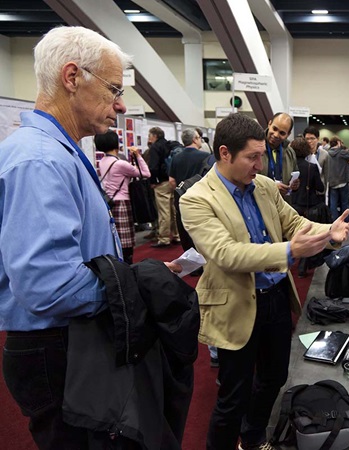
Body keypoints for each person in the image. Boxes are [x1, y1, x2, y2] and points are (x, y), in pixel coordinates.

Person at [0, 26, 182, 449]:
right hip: (59, 347)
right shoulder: (40, 160)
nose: (120, 105)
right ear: (71, 77)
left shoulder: (59, 151)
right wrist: (134, 289)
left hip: (70, 342)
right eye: (113, 89)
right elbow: (50, 286)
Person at [179, 113, 349, 450]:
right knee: (233, 395)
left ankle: (253, 437)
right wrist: (289, 250)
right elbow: (227, 254)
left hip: (274, 298)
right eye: (252, 157)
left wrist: (329, 233)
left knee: (274, 377)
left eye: (261, 155)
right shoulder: (196, 198)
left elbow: (295, 223)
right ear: (225, 153)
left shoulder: (266, 186)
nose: (260, 164)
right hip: (235, 303)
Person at [96, 130, 151, 264]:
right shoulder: (120, 164)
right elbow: (145, 173)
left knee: (116, 238)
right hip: (122, 202)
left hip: (110, 201)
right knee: (126, 242)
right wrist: (138, 155)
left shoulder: (102, 161)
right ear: (116, 143)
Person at [290, 137, 326, 277]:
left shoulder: (289, 167)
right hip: (308, 206)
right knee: (307, 236)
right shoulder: (311, 167)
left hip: (293, 205)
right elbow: (320, 187)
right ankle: (302, 269)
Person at [148, 126, 179, 247]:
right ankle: (177, 235)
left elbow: (153, 166)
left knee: (164, 211)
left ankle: (164, 238)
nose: (149, 139)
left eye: (150, 136)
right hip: (172, 180)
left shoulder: (155, 147)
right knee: (174, 209)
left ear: (154, 136)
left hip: (161, 182)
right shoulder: (170, 145)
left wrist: (153, 181)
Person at [260, 112, 299, 196]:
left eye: (282, 133)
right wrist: (272, 187)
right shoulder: (255, 148)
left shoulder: (290, 153)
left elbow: (294, 174)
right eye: (274, 129)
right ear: (269, 124)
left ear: (288, 134)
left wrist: (295, 184)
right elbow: (246, 179)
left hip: (282, 204)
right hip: (260, 203)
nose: (276, 135)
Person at [327, 136, 349, 222]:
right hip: (343, 181)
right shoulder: (341, 152)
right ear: (338, 142)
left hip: (332, 183)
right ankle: (345, 223)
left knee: (333, 204)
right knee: (344, 203)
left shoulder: (327, 153)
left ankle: (335, 223)